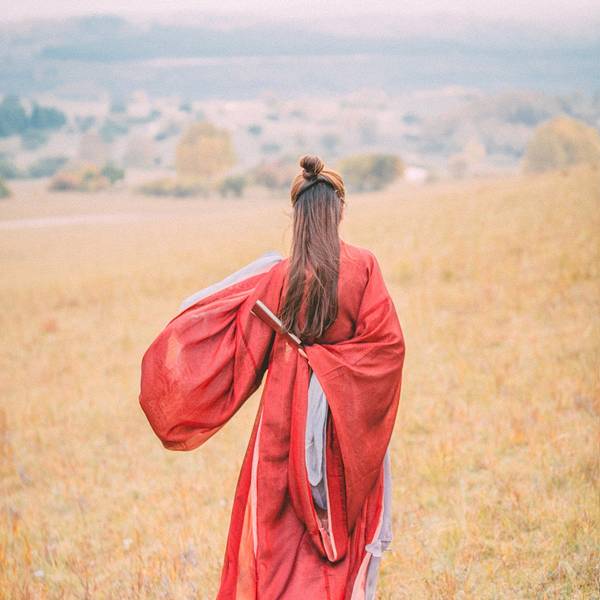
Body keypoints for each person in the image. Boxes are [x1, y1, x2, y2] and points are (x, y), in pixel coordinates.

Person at [138, 154, 406, 599]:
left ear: (296, 215)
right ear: (339, 210)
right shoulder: (364, 266)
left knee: (278, 538)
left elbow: (244, 350)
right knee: (340, 528)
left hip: (282, 425)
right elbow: (388, 347)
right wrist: (335, 368)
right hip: (345, 427)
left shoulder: (280, 276)